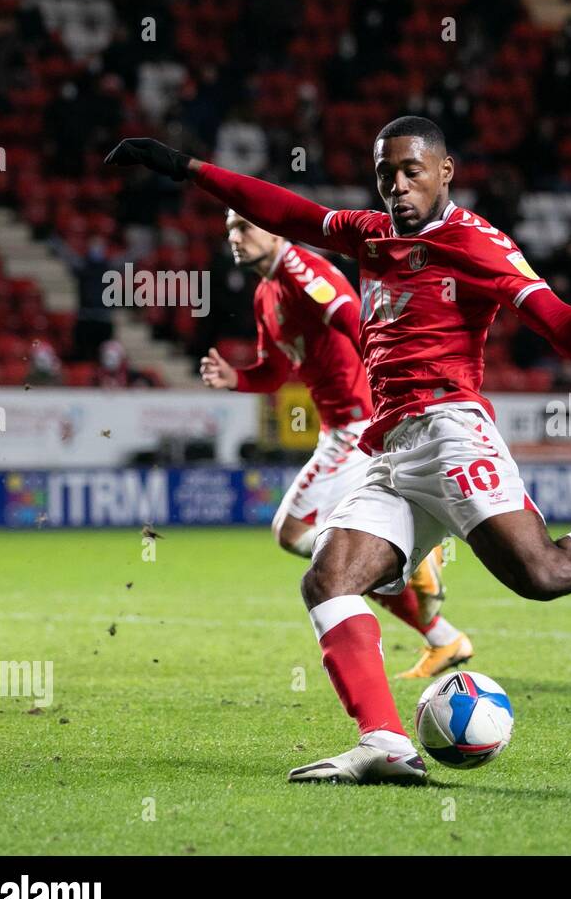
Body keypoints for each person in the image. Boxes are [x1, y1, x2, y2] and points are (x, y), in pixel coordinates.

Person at [107, 117, 571, 786]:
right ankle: (386, 743)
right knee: (329, 580)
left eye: (412, 170)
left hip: (452, 431)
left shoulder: (475, 242)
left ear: (446, 171)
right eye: (386, 172)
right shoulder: (366, 235)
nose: (397, 184)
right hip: (390, 447)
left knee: (544, 574)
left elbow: (550, 316)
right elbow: (288, 211)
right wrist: (185, 167)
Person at [199, 208, 473, 680]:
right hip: (337, 427)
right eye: (229, 231)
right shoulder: (266, 292)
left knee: (296, 532)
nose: (235, 239)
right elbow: (274, 371)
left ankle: (407, 559)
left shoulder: (301, 269)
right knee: (338, 553)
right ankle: (443, 638)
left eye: (244, 226)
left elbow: (353, 318)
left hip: (356, 424)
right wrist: (236, 378)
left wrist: (391, 393)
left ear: (274, 227)